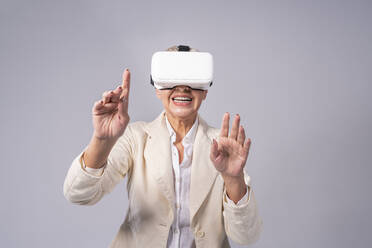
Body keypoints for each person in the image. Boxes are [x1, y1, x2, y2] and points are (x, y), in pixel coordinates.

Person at [63, 45, 263, 247]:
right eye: (171, 79)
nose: (183, 87)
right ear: (157, 89)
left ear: (205, 91)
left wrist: (233, 178)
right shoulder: (136, 137)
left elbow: (246, 236)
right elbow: (79, 195)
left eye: (192, 80)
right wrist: (101, 139)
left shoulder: (224, 147)